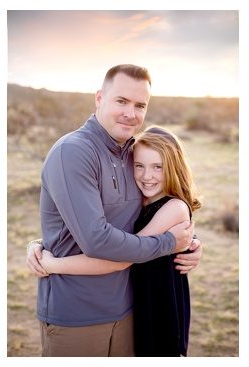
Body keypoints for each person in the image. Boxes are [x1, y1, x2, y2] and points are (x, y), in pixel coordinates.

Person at [24, 64, 202, 356]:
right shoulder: (74, 151)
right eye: (121, 101)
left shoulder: (133, 154)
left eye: (139, 105)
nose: (130, 113)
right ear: (99, 98)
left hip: (131, 310)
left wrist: (190, 244)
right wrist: (170, 243)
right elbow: (97, 240)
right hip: (78, 315)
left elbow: (146, 215)